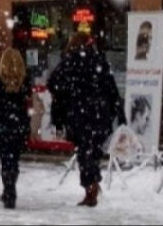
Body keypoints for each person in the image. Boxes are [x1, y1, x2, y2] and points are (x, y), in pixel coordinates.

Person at [47, 33, 125, 207]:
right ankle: (92, 185)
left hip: (79, 116)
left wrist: (63, 106)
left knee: (85, 152)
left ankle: (91, 188)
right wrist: (118, 114)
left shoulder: (70, 62)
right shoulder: (100, 62)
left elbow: (53, 84)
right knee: (92, 152)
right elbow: (112, 90)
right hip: (100, 116)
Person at [0, 48, 31, 209]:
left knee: (6, 160)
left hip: (2, 127)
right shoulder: (24, 82)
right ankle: (10, 188)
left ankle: (9, 191)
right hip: (18, 126)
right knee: (14, 160)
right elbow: (27, 105)